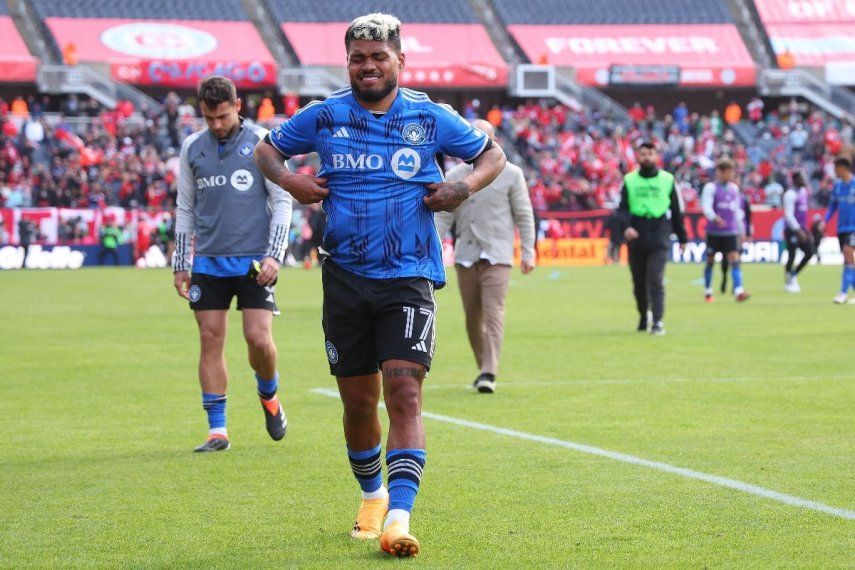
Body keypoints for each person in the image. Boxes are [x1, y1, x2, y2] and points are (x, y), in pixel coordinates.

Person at [254, 13, 506, 557]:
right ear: (348, 63)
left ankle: (398, 517)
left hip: (409, 277)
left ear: (399, 60)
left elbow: (493, 155)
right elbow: (266, 151)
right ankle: (372, 496)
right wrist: (293, 180)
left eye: (377, 57)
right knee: (359, 404)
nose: (367, 66)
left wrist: (462, 188)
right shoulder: (324, 117)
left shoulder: (429, 116)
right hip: (344, 278)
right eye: (357, 58)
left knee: (406, 395)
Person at [172, 76, 293, 453]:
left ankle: (269, 395)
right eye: (209, 118)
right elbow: (185, 208)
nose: (216, 125)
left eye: (222, 116)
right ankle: (217, 430)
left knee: (258, 339)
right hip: (208, 260)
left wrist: (275, 254)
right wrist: (180, 261)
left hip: (255, 260)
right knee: (209, 339)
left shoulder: (262, 143)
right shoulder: (192, 147)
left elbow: (283, 201)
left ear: (237, 106)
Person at [435, 119, 535, 394]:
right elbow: (443, 216)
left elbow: (524, 214)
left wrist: (528, 250)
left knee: (494, 313)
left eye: (483, 137)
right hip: (466, 253)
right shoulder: (455, 174)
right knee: (471, 317)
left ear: (493, 141)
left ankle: (490, 370)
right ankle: (483, 367)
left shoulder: (512, 174)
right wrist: (431, 246)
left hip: (498, 255)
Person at [618, 142, 687, 335]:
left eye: (650, 153)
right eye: (643, 154)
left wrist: (682, 237)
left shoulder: (668, 180)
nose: (647, 157)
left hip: (659, 232)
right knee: (638, 283)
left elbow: (676, 210)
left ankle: (657, 321)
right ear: (638, 157)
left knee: (655, 279)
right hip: (636, 233)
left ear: (656, 156)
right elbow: (621, 209)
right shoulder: (629, 180)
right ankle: (643, 315)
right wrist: (626, 227)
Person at [701, 159, 751, 303]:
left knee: (735, 259)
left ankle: (738, 291)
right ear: (720, 172)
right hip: (714, 231)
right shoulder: (710, 188)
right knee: (710, 260)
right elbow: (706, 207)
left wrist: (742, 230)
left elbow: (736, 211)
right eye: (727, 172)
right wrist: (714, 218)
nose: (729, 175)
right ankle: (708, 291)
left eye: (731, 172)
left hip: (731, 231)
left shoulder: (734, 189)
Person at [819, 156, 855, 304]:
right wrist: (825, 221)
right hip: (841, 228)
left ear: (842, 168)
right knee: (848, 261)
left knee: (848, 255)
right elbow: (833, 206)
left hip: (854, 227)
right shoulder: (838, 186)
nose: (834, 171)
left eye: (836, 168)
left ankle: (842, 293)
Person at [782, 171, 814, 293]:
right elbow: (789, 215)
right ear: (795, 180)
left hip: (803, 229)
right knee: (792, 254)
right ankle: (788, 282)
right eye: (802, 178)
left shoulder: (804, 192)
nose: (804, 180)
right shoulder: (790, 194)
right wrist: (797, 230)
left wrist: (806, 230)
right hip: (792, 229)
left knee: (810, 252)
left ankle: (793, 274)